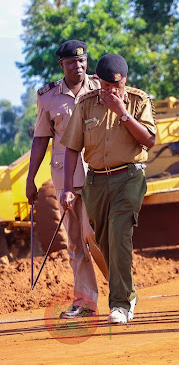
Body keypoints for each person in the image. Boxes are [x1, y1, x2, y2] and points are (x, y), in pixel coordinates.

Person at [60, 54, 156, 324]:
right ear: (98, 81)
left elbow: (149, 140)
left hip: (129, 177)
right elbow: (71, 148)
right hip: (96, 181)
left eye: (117, 86)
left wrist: (122, 113)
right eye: (106, 87)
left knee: (119, 233)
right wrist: (68, 187)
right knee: (103, 241)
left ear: (124, 80)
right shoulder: (86, 104)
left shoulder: (138, 101)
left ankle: (121, 304)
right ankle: (129, 291)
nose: (112, 91)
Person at [26, 40, 102, 318]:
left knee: (95, 236)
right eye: (71, 62)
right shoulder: (48, 97)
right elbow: (40, 139)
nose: (78, 66)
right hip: (64, 178)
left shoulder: (99, 89)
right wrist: (31, 179)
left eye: (82, 61)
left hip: (97, 173)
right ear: (62, 65)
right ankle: (85, 302)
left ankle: (120, 291)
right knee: (74, 242)